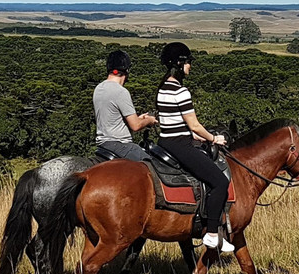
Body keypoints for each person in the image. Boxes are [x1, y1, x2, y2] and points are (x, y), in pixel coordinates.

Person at [155, 42, 234, 252]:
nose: (190, 66)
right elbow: (194, 125)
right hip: (180, 145)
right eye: (188, 62)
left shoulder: (162, 88)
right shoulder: (181, 91)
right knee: (219, 181)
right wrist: (213, 139)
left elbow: (173, 122)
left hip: (164, 142)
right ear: (180, 64)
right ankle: (211, 232)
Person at [92, 50, 156, 161]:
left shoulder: (99, 88)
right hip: (121, 145)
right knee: (151, 165)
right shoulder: (121, 92)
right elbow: (135, 126)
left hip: (103, 145)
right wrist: (149, 120)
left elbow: (112, 118)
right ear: (126, 70)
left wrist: (138, 118)